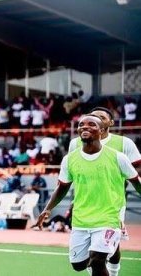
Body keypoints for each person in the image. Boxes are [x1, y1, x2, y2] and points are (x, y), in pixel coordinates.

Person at [36, 114, 141, 276]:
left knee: (97, 260)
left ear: (102, 131)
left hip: (108, 217)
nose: (85, 127)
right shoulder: (69, 160)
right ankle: (109, 249)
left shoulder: (118, 157)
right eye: (81, 125)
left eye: (91, 124)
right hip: (81, 219)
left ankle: (108, 250)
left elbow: (136, 182)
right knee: (78, 265)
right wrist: (48, 209)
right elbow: (62, 186)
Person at [68, 107, 141, 276]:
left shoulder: (124, 143)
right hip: (85, 202)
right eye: (92, 117)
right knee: (99, 250)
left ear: (109, 123)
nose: (94, 120)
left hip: (113, 201)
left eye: (100, 117)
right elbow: (75, 170)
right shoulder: (76, 143)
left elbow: (135, 169)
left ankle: (113, 272)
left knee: (103, 250)